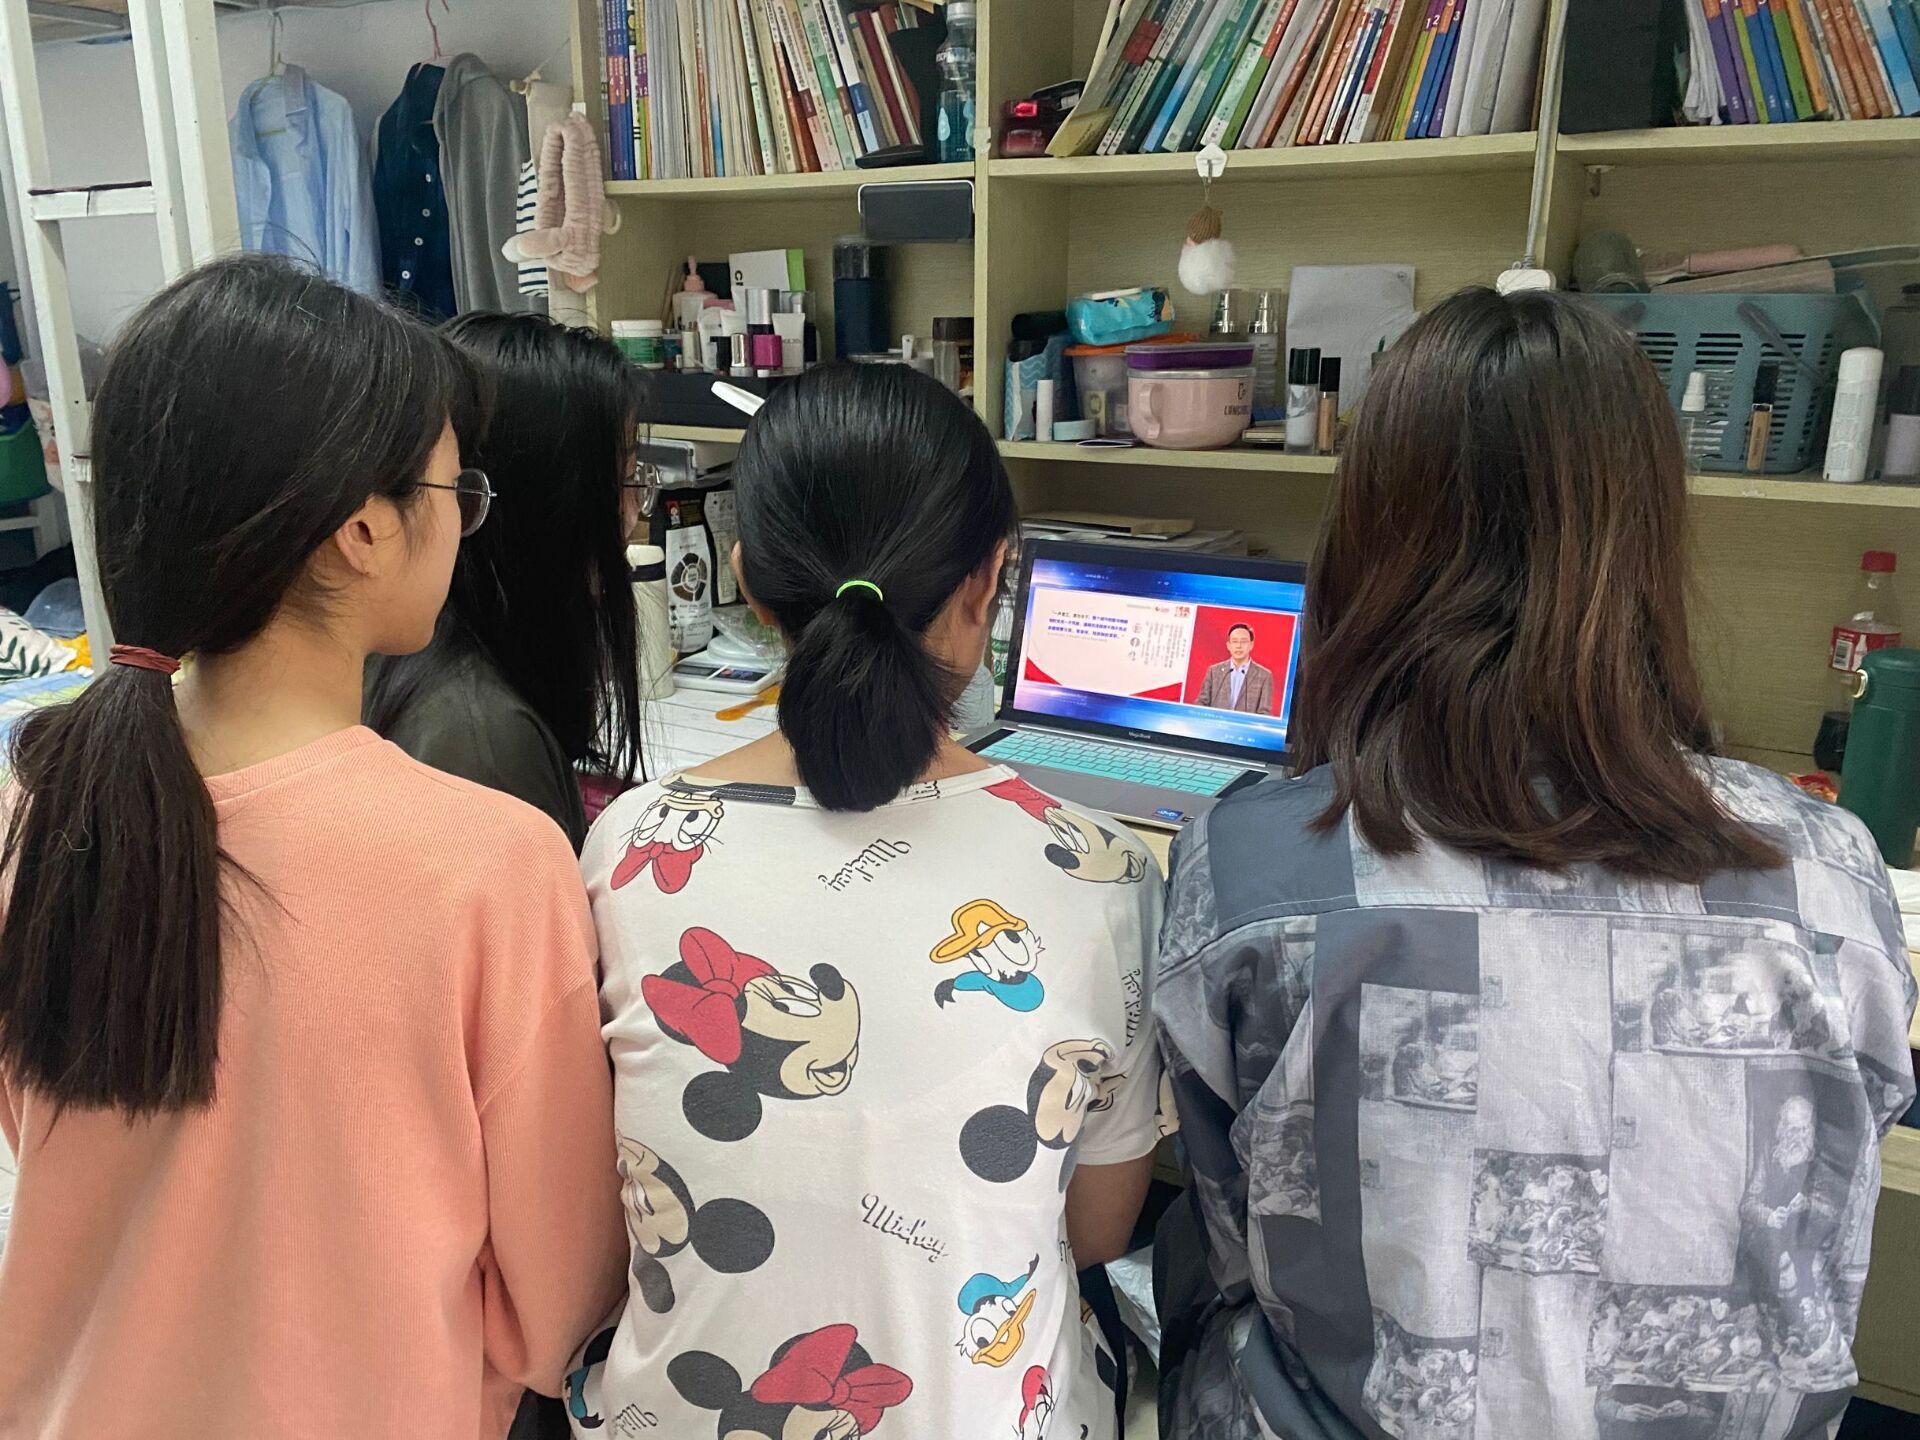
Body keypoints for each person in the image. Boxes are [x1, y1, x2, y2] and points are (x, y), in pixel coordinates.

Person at [1151, 289, 1916, 1440]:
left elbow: (1232, 1225)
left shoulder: (1248, 860)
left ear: (1366, 532)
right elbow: (1830, 1212)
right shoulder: (1830, 870)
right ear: (1647, 536)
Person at [0, 256, 626, 1439]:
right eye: (458, 488)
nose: (467, 519)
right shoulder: (486, 864)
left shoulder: (33, 812)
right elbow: (559, 1315)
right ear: (363, 528)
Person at [571, 364, 1165, 1440]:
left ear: (749, 583)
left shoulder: (629, 847)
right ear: (990, 582)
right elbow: (1095, 1234)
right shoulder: (1107, 874)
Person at [365, 313, 648, 851]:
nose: (633, 512)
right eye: (625, 478)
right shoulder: (484, 744)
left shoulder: (425, 654)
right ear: (550, 503)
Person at [1193, 623, 1273, 714]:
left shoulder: (1264, 676)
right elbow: (1201, 703)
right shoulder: (1214, 671)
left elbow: (1265, 713)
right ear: (1228, 645)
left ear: (1251, 645)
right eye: (1235, 641)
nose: (1239, 646)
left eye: (1243, 641)